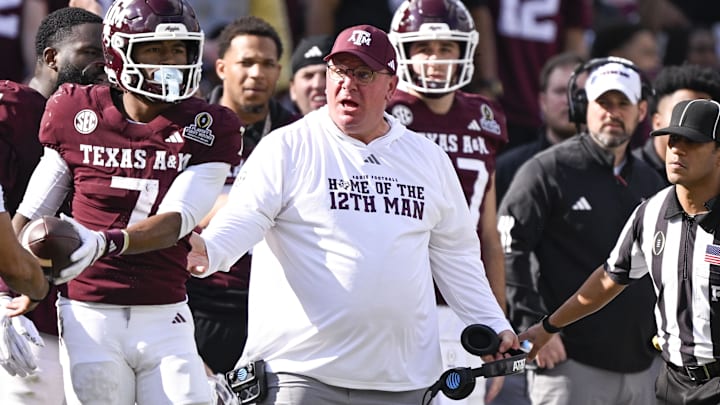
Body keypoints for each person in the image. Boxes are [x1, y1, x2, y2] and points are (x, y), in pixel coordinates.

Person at [187, 23, 518, 404]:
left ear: (391, 87)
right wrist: (208, 251)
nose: (348, 83)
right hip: (301, 374)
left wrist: (493, 323)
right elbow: (245, 216)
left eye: (363, 74)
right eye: (339, 71)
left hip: (404, 380)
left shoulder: (428, 160)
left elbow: (458, 255)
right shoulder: (288, 146)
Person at [12, 0, 243, 403]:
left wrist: (102, 242)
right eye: (154, 49)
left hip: (165, 309)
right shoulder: (75, 108)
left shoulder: (208, 125)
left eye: (179, 50)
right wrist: (2, 292)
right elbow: (34, 211)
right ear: (118, 52)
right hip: (89, 312)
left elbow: (178, 219)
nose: (169, 61)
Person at [520, 98, 720, 405]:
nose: (677, 149)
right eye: (673, 139)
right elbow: (609, 279)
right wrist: (548, 327)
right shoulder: (650, 213)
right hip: (672, 384)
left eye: (692, 141)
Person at [498, 58, 666, 405]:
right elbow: (508, 249)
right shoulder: (545, 170)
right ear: (583, 107)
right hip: (568, 366)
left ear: (642, 110)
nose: (612, 112)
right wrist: (533, 327)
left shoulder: (654, 181)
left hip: (643, 369)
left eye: (623, 103)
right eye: (603, 103)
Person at [386, 0, 507, 403]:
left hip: (461, 306)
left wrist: (497, 321)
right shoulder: (384, 113)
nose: (434, 59)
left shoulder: (484, 115)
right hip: (394, 304)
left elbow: (488, 235)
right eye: (423, 47)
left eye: (446, 48)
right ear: (403, 49)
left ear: (464, 50)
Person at [0, 7, 104, 404]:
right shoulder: (14, 109)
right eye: (88, 52)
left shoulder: (103, 118)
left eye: (107, 56)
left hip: (85, 311)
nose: (101, 65)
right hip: (21, 308)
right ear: (50, 58)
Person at [187, 15, 298, 375]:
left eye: (267, 64)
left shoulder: (297, 134)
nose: (257, 73)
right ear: (220, 67)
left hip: (277, 306)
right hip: (199, 301)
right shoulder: (189, 126)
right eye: (246, 62)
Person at [482, 0, 591, 151]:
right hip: (500, 104)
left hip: (550, 105)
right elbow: (480, 20)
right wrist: (486, 89)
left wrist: (571, 92)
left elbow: (575, 34)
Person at [495, 52, 584, 205]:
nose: (568, 100)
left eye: (578, 92)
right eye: (560, 91)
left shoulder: (616, 169)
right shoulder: (507, 168)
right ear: (543, 101)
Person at [632, 64, 720, 185]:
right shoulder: (626, 173)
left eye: (701, 116)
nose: (691, 123)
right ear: (657, 122)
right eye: (680, 112)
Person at [286, 34, 334, 116]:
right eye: (308, 76)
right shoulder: (277, 128)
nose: (317, 85)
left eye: (327, 74)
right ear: (292, 89)